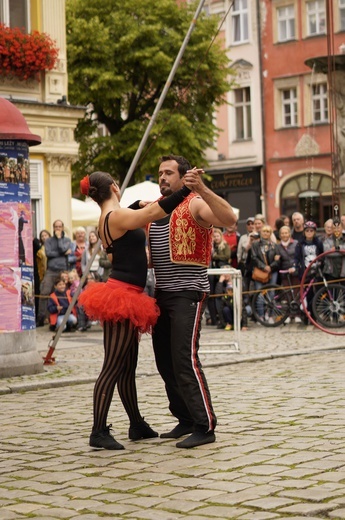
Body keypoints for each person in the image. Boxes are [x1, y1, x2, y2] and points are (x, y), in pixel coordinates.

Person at [78, 169, 198, 450]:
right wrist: (184, 192)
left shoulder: (109, 217)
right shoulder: (117, 217)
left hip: (127, 294)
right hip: (122, 297)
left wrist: (134, 206)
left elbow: (129, 222)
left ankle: (136, 424)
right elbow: (151, 215)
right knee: (112, 366)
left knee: (127, 366)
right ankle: (98, 430)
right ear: (115, 187)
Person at [148, 154, 237, 449]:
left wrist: (202, 188)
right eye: (160, 172)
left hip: (188, 292)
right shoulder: (157, 209)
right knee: (165, 362)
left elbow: (231, 219)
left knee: (185, 359)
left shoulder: (196, 203)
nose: (162, 177)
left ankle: (205, 424)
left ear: (183, 177)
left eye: (168, 173)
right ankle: (184, 418)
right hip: (162, 294)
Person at [36, 220, 72, 327]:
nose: (58, 229)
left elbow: (62, 248)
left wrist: (60, 239)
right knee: (44, 292)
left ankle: (65, 319)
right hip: (51, 270)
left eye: (60, 226)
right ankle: (41, 318)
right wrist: (63, 253)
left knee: (64, 294)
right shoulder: (48, 241)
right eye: (56, 227)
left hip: (63, 270)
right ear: (53, 228)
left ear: (63, 227)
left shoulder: (66, 240)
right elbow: (48, 253)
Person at [294, 221, 323, 318]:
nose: (309, 232)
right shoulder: (300, 244)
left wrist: (320, 263)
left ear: (314, 232)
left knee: (318, 293)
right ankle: (308, 315)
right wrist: (295, 266)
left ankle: (315, 315)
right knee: (308, 294)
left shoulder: (318, 242)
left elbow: (322, 255)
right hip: (305, 271)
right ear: (304, 232)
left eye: (311, 230)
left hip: (316, 271)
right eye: (307, 231)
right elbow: (297, 257)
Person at [276, 226, 300, 323]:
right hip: (284, 272)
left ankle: (297, 314)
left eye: (286, 233)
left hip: (295, 271)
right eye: (282, 233)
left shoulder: (296, 243)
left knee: (297, 293)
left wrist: (295, 266)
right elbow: (277, 260)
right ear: (280, 235)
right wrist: (276, 259)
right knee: (288, 294)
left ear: (289, 234)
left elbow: (298, 257)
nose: (284, 235)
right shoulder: (277, 246)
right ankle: (289, 314)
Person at [207, 227, 231, 327]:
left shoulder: (224, 246)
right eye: (214, 236)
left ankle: (225, 319)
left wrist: (215, 256)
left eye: (217, 236)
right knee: (213, 296)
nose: (216, 238)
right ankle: (214, 318)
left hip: (222, 272)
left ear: (221, 236)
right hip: (213, 274)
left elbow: (226, 256)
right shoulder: (211, 246)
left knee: (223, 295)